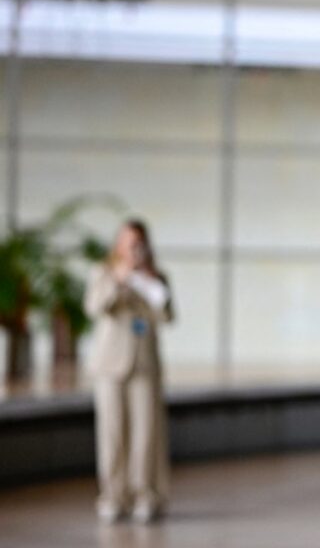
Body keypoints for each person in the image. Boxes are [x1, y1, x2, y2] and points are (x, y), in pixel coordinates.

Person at [85, 219, 174, 523]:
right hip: (110, 365)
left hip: (144, 364)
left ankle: (146, 495)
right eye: (129, 242)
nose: (135, 248)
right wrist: (120, 280)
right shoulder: (105, 272)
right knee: (112, 434)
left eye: (140, 242)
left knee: (146, 433)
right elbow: (95, 307)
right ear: (119, 243)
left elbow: (167, 314)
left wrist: (149, 282)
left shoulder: (156, 276)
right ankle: (112, 495)